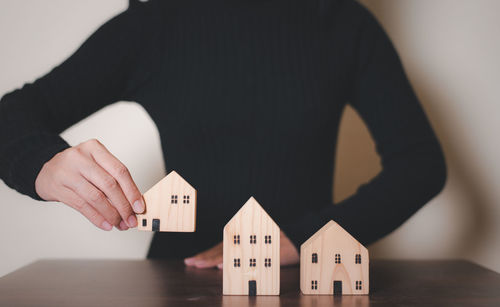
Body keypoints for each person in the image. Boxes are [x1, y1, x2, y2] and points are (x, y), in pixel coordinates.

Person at [0, 0, 446, 269]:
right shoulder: (153, 25)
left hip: (297, 287)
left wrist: (306, 237)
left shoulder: (343, 23)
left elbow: (420, 165)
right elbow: (11, 116)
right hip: (174, 283)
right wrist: (43, 163)